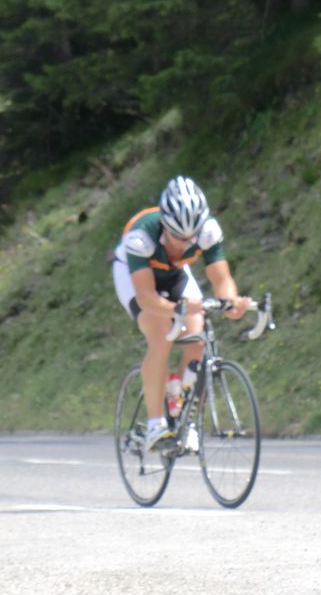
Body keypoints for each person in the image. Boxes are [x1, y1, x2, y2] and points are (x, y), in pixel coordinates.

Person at [112, 175, 250, 451]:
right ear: (165, 225)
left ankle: (185, 418)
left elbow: (222, 280)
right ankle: (155, 424)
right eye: (177, 237)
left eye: (191, 239)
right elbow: (147, 297)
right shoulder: (142, 236)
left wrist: (231, 302)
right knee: (161, 333)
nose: (184, 245)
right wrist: (177, 309)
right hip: (136, 276)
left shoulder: (208, 231)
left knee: (197, 340)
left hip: (174, 274)